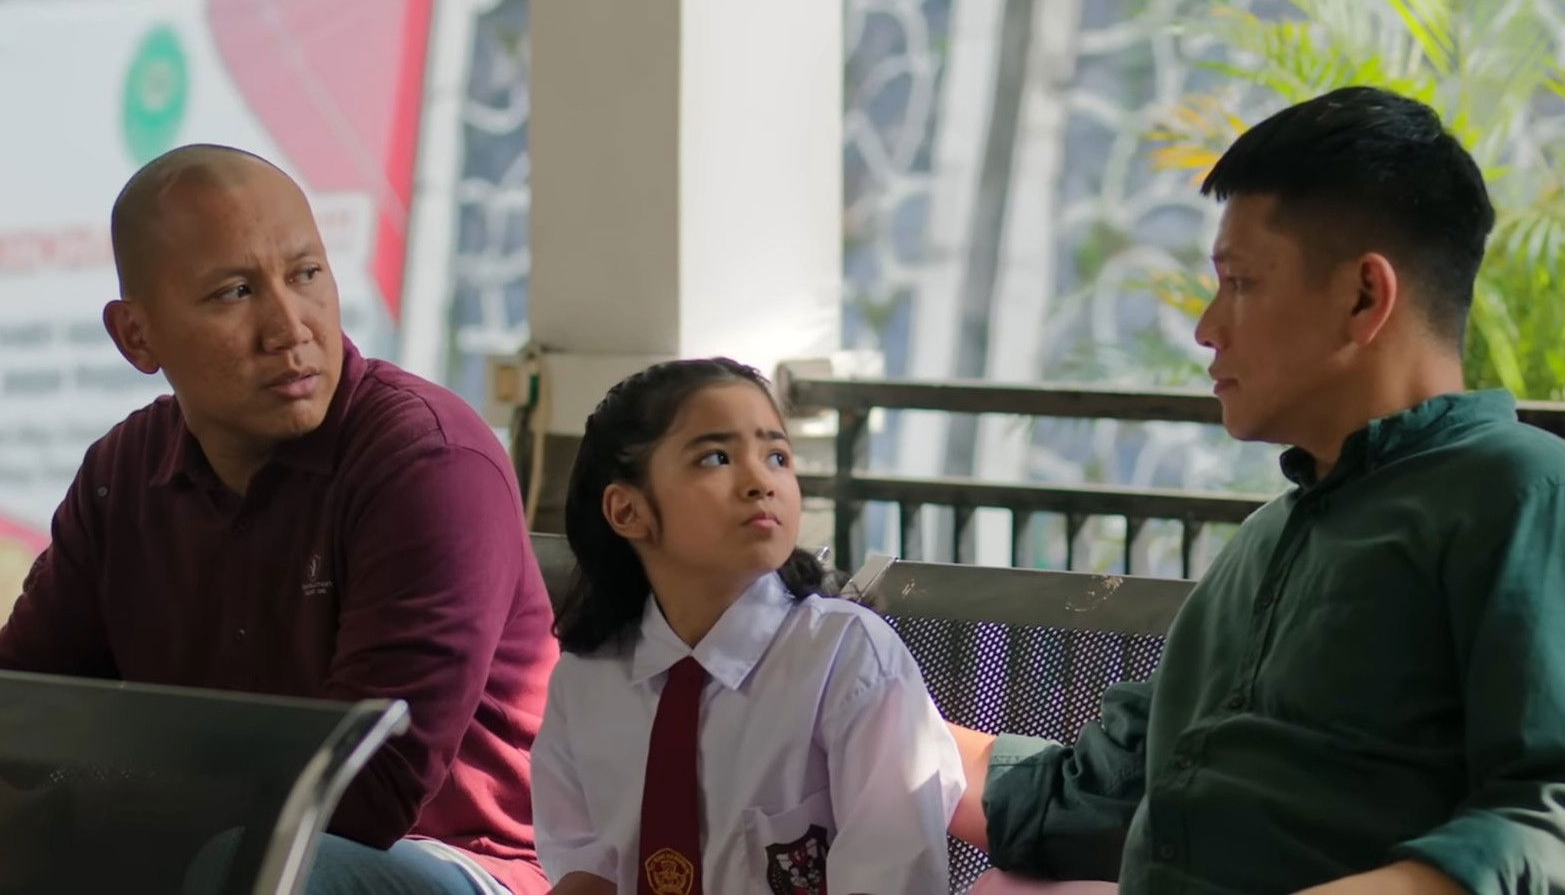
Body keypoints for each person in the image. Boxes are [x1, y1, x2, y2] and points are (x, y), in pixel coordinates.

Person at [947, 86, 1565, 894]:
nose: (1206, 328)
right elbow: (1102, 794)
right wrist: (862, 702)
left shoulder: (1521, 497)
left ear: (1365, 297)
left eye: (1239, 282)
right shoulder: (1270, 542)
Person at [0, 144, 559, 895]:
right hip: (224, 843)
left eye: (306, 275)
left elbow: (364, 789)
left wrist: (105, 815)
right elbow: (24, 716)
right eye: (234, 292)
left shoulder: (426, 460)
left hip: (456, 860)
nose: (289, 328)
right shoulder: (122, 474)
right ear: (136, 335)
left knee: (253, 866)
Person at [529, 358, 963, 895]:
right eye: (716, 457)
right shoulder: (587, 680)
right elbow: (586, 872)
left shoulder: (846, 659)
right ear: (627, 511)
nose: (761, 482)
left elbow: (892, 878)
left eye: (777, 456)